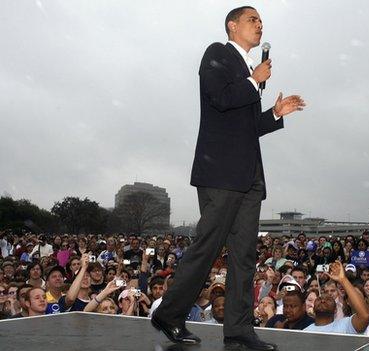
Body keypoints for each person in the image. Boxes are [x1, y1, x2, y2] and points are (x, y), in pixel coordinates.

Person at [151, 6, 305, 348]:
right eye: (253, 20)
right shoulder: (217, 54)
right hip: (220, 172)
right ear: (232, 26)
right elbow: (219, 100)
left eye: (262, 22)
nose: (260, 26)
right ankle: (169, 313)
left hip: (249, 177)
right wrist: (254, 81)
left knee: (244, 255)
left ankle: (238, 330)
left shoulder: (250, 71)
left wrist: (275, 114)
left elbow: (247, 128)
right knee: (207, 247)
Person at [304, 262, 369, 334]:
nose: (323, 300)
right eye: (319, 299)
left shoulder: (345, 325)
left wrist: (343, 280)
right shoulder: (304, 332)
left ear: (335, 310)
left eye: (328, 300)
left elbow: (365, 316)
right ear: (313, 309)